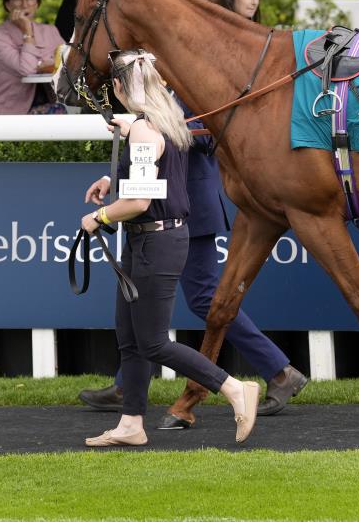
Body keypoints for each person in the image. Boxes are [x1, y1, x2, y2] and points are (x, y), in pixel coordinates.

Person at [79, 0, 308, 425]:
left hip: (186, 205)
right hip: (171, 205)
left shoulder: (187, 74)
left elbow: (198, 134)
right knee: (145, 302)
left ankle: (277, 371)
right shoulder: (160, 70)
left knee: (202, 298)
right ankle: (128, 391)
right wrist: (117, 176)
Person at [80, 50, 259, 447]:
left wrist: (100, 217)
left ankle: (233, 388)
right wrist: (114, 177)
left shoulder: (144, 131)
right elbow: (150, 178)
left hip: (155, 242)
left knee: (153, 342)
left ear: (118, 87)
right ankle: (131, 424)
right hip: (150, 239)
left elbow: (139, 201)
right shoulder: (163, 123)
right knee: (130, 337)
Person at [0, 0, 67, 115]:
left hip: (45, 105)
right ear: (8, 5)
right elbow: (28, 70)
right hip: (3, 111)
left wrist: (42, 64)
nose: (24, 4)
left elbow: (67, 63)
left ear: (37, 3)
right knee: (58, 113)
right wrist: (27, 31)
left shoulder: (50, 31)